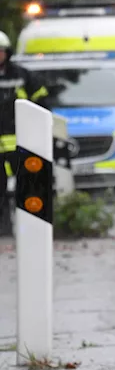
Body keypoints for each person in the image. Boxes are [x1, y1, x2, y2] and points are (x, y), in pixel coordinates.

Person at [0, 30, 48, 237]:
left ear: (7, 52)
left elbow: (42, 104)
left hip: (23, 143)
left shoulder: (23, 76)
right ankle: (4, 227)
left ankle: (32, 230)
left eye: (0, 51)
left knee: (28, 188)